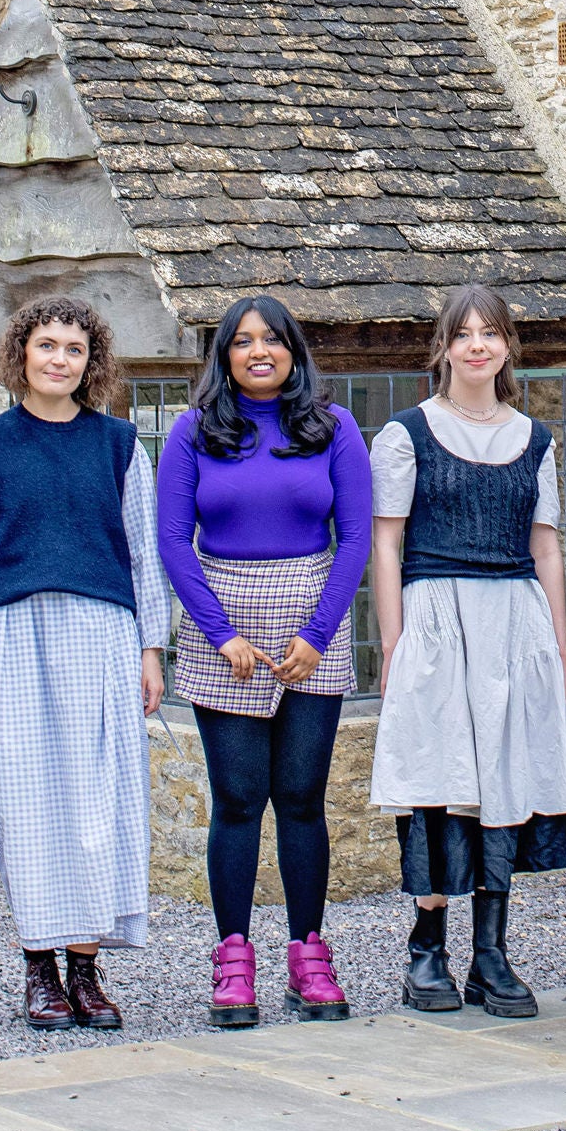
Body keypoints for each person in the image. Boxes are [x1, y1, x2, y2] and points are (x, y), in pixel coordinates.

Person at [0, 295, 173, 1031]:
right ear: (21, 355)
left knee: (99, 803)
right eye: (47, 345)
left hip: (102, 632)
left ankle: (86, 967)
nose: (59, 359)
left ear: (90, 359)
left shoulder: (119, 444)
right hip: (12, 636)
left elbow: (143, 548)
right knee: (27, 801)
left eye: (74, 347)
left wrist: (150, 647)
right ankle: (39, 966)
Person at [366, 284, 566, 1018]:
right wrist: (396, 645)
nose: (477, 344)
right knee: (439, 782)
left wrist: (562, 655)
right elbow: (385, 540)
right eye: (463, 332)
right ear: (443, 345)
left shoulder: (533, 439)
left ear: (506, 345)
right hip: (437, 615)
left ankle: (491, 954)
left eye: (490, 332)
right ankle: (427, 950)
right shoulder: (406, 434)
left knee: (504, 779)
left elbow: (546, 549)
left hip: (513, 623)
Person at [156, 295, 372, 1029]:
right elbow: (172, 543)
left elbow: (356, 539)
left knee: (303, 797)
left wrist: (317, 631)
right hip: (227, 624)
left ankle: (309, 956)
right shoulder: (192, 434)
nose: (258, 352)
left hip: (313, 619)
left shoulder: (335, 428)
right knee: (240, 798)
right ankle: (233, 956)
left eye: (271, 340)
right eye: (242, 341)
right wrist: (219, 633)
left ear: (292, 350)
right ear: (223, 354)